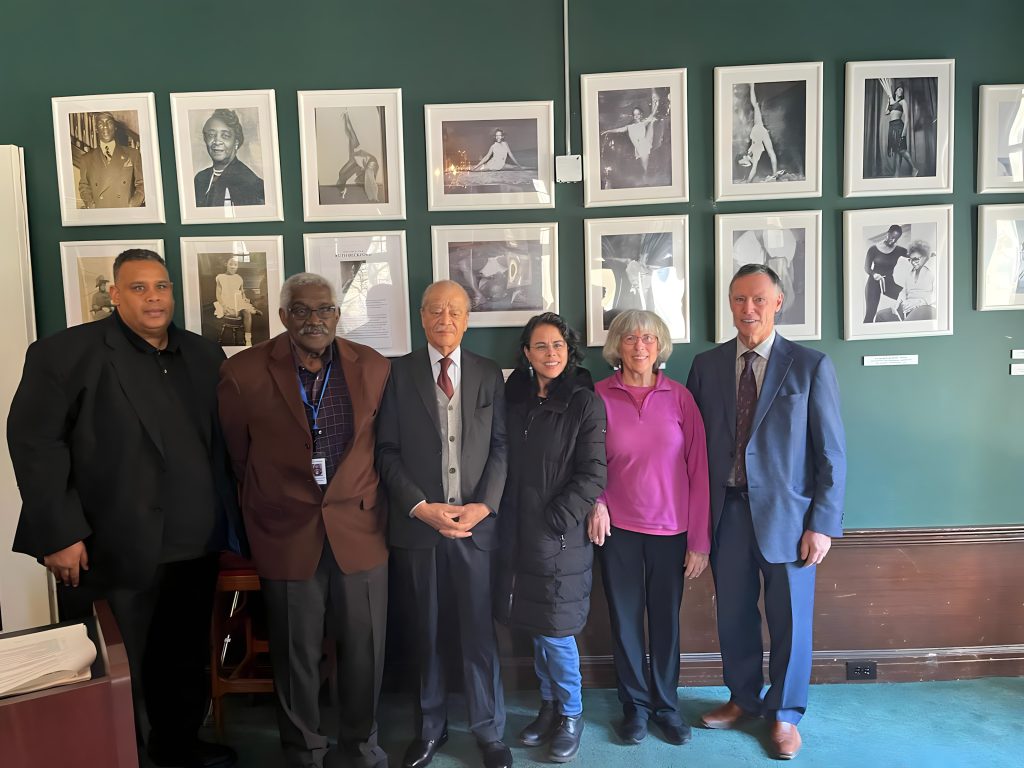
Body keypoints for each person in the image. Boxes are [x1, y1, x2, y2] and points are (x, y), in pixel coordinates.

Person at [8, 249, 239, 768]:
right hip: (109, 543)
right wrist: (59, 533)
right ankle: (126, 756)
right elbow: (34, 444)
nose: (152, 297)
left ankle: (178, 748)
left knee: (181, 659)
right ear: (113, 294)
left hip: (194, 542)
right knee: (121, 665)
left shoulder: (206, 357)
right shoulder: (64, 354)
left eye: (161, 287)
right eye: (138, 288)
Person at [218, 272, 390, 768]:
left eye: (323, 309)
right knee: (296, 660)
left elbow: (383, 448)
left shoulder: (373, 367)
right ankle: (304, 754)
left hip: (360, 530)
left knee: (366, 651)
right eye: (300, 310)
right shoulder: (243, 373)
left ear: (338, 313)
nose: (313, 319)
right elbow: (237, 457)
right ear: (282, 315)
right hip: (286, 533)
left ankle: (361, 749)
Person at [686, 263, 846, 761]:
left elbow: (832, 453)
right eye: (738, 300)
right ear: (729, 305)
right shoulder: (706, 366)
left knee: (791, 620)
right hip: (726, 513)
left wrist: (821, 524)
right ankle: (743, 699)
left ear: (778, 303)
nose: (747, 309)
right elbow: (691, 448)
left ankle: (785, 715)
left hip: (790, 520)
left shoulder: (810, 365)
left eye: (758, 299)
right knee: (732, 613)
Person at [376, 280, 512, 768]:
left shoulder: (488, 373)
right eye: (435, 310)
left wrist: (483, 506)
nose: (445, 319)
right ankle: (429, 728)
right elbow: (386, 452)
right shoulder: (395, 374)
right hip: (420, 528)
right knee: (426, 632)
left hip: (476, 528)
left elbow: (500, 447)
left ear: (467, 318)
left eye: (455, 311)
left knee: (479, 632)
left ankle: (489, 731)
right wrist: (420, 507)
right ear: (421, 316)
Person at [587, 310, 710, 748]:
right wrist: (597, 503)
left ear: (660, 347)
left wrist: (699, 541)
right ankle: (634, 707)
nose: (640, 346)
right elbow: (588, 462)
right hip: (618, 529)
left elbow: (699, 471)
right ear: (616, 346)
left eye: (650, 338)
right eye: (631, 338)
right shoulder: (597, 395)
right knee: (623, 623)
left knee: (665, 623)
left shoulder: (680, 398)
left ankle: (665, 706)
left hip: (671, 531)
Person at [497, 313, 607, 763]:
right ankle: (548, 707)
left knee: (557, 633)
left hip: (559, 538)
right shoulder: (514, 398)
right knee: (539, 629)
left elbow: (593, 472)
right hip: (516, 535)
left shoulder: (584, 400)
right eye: (540, 346)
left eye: (557, 345)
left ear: (570, 350)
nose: (550, 354)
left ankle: (571, 714)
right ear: (526, 353)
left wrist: (555, 521)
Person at [194, 108, 265, 207]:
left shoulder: (252, 184)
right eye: (211, 135)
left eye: (225, 136)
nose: (217, 141)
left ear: (236, 142)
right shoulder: (200, 179)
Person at [77, 111, 145, 208]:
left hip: (124, 212)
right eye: (100, 124)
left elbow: (142, 184)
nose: (105, 127)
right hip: (101, 212)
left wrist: (133, 205)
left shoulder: (133, 154)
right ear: (96, 129)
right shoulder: (86, 159)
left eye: (109, 123)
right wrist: (91, 205)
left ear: (115, 127)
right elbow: (84, 187)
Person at [876, 241, 937, 321]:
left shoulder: (933, 271)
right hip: (908, 307)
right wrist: (899, 303)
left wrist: (920, 301)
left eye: (916, 259)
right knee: (881, 315)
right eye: (910, 260)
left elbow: (939, 293)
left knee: (908, 322)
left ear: (925, 257)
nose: (913, 263)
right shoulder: (910, 273)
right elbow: (904, 291)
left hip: (926, 307)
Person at [602, 96, 660, 178]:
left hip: (644, 146)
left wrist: (656, 105)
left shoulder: (643, 123)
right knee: (643, 165)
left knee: (645, 165)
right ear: (633, 116)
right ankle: (645, 176)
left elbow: (652, 114)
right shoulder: (630, 127)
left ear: (640, 115)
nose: (636, 116)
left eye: (638, 114)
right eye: (634, 114)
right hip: (639, 148)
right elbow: (619, 129)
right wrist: (608, 131)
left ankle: (646, 176)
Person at [737, 84, 783, 182]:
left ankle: (775, 173)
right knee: (756, 105)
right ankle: (775, 173)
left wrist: (748, 181)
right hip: (759, 133)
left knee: (771, 153)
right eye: (743, 161)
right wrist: (748, 181)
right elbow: (753, 169)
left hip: (759, 133)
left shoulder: (752, 156)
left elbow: (752, 168)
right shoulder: (754, 157)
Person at [863, 224, 908, 323]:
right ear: (887, 233)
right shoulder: (873, 249)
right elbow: (866, 267)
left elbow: (913, 254)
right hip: (873, 284)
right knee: (870, 315)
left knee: (908, 296)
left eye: (896, 239)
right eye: (892, 237)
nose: (893, 240)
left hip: (889, 284)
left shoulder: (899, 250)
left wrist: (928, 254)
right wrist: (874, 274)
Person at [336, 111, 382, 202]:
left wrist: (346, 117)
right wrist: (346, 118)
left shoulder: (356, 146)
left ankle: (374, 198)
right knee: (342, 173)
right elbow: (348, 129)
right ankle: (342, 190)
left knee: (368, 176)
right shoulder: (354, 157)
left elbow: (350, 129)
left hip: (371, 162)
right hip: (363, 163)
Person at [214, 256, 261, 346]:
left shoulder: (239, 278)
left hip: (237, 300)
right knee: (234, 313)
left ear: (237, 266)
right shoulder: (221, 277)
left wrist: (245, 299)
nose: (233, 266)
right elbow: (218, 294)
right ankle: (253, 311)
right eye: (230, 264)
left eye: (235, 265)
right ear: (226, 264)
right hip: (226, 302)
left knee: (247, 312)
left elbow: (242, 292)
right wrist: (223, 305)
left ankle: (248, 339)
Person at [885, 84, 919, 177]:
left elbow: (907, 118)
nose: (901, 91)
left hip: (899, 126)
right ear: (895, 92)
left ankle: (914, 168)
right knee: (896, 151)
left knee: (902, 150)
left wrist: (904, 132)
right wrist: (889, 100)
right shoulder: (892, 102)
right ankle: (897, 173)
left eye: (902, 90)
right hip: (892, 127)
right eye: (899, 89)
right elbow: (886, 112)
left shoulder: (903, 102)